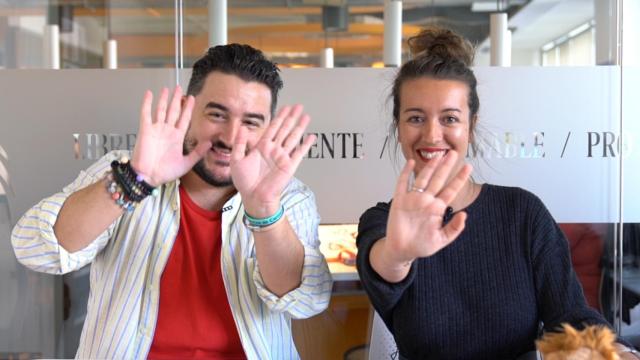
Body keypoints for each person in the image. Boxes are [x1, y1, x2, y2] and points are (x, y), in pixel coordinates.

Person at [12, 44, 332, 359]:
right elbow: (35, 250)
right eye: (217, 114)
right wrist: (136, 180)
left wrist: (265, 209)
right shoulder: (128, 170)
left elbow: (305, 302)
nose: (232, 136)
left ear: (268, 128)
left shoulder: (287, 196)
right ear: (187, 109)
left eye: (251, 122)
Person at [355, 26, 639, 359]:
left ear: (471, 127)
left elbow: (571, 317)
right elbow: (384, 268)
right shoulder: (382, 222)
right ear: (399, 128)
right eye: (416, 118)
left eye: (449, 118)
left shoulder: (522, 213)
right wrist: (399, 254)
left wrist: (615, 352)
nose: (432, 134)